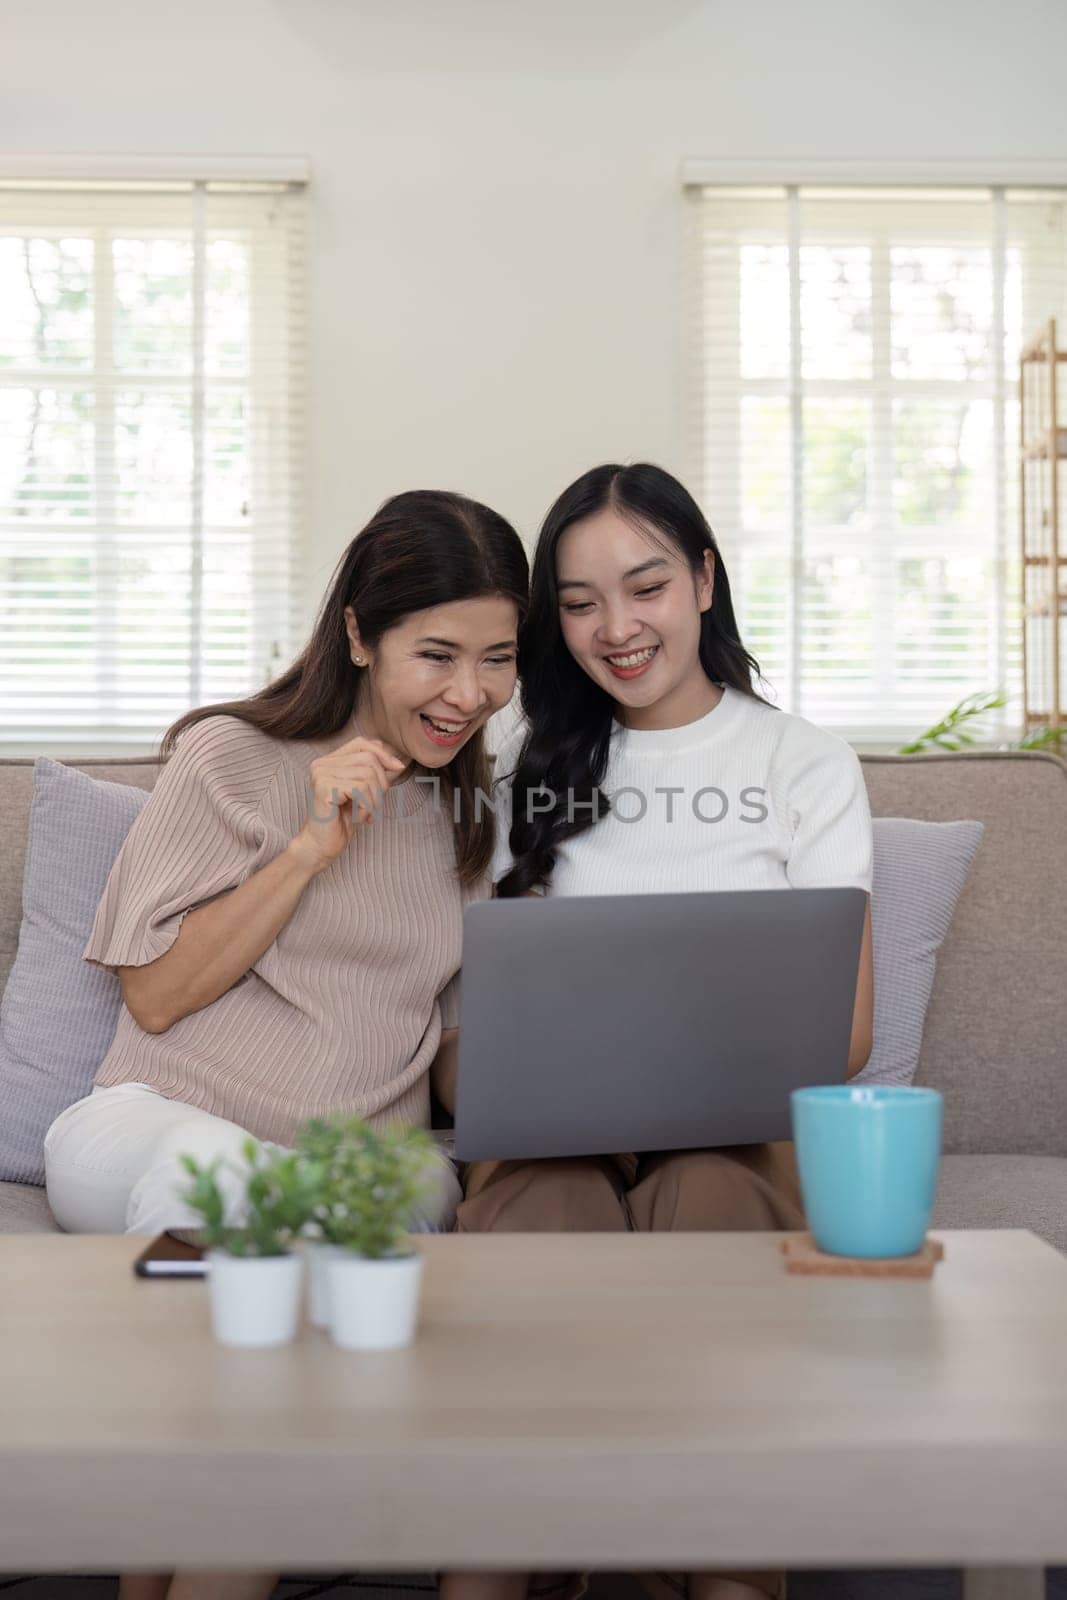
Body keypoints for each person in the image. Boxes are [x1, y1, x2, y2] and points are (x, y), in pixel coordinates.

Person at [43, 488, 528, 1600]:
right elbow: (157, 995)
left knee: (325, 1224)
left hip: (357, 1163)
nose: (469, 694)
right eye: (436, 654)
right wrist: (311, 846)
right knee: (226, 1191)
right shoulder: (231, 758)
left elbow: (443, 1045)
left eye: (497, 659)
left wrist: (546, 1046)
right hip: (156, 1124)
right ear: (358, 635)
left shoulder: (469, 816)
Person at [444, 462, 874, 1600]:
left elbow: (843, 1035)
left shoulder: (800, 763)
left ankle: (713, 1567)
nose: (615, 629)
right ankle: (509, 1562)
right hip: (545, 1133)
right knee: (553, 1206)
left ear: (702, 578)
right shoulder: (512, 756)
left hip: (736, 1133)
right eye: (578, 604)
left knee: (708, 1190)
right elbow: (469, 1004)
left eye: (643, 588)